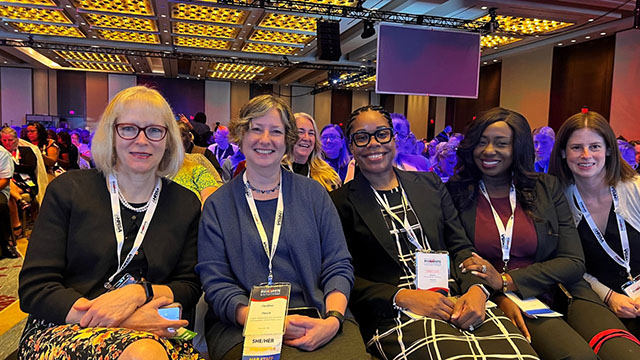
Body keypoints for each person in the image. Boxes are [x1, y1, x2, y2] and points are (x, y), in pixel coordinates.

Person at [330, 105, 538, 360]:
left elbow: (460, 247)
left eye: (382, 134)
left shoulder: (430, 185)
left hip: (456, 297)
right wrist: (401, 297)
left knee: (521, 355)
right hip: (396, 311)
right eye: (361, 137)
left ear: (393, 139)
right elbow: (343, 275)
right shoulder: (338, 203)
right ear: (351, 146)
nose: (373, 144)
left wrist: (477, 291)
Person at [18, 86, 202, 359]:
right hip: (65, 325)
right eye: (128, 129)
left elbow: (188, 286)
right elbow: (36, 288)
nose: (142, 140)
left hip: (152, 325)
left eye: (154, 130)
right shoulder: (69, 190)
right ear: (111, 134)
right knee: (143, 353)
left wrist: (140, 294)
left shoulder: (185, 204)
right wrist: (121, 321)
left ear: (168, 141)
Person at [447, 107, 640, 360]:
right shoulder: (456, 192)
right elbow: (459, 255)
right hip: (488, 296)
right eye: (481, 142)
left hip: (561, 289)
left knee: (624, 354)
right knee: (576, 356)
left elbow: (572, 262)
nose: (489, 150)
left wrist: (505, 281)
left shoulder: (545, 188)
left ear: (519, 148)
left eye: (501, 143)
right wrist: (496, 291)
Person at [197, 95, 368, 360]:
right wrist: (262, 321)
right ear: (240, 135)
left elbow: (338, 264)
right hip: (242, 324)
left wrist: (334, 319)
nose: (265, 139)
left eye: (276, 131)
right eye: (256, 128)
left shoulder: (314, 195)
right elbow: (216, 282)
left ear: (287, 141)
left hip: (319, 315)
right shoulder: (218, 205)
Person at [549, 111, 640, 339]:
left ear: (609, 150)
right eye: (576, 147)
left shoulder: (635, 189)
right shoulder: (557, 200)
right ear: (562, 152)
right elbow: (567, 264)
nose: (586, 155)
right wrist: (609, 297)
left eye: (595, 147)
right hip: (596, 299)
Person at [283, 112, 341, 191]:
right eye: (300, 132)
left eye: (311, 133)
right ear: (289, 136)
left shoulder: (328, 176)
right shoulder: (276, 171)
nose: (306, 138)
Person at [1, 127, 39, 238]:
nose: (7, 143)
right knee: (7, 188)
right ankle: (20, 202)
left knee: (6, 184)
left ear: (16, 140)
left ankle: (15, 227)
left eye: (10, 140)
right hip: (10, 183)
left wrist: (12, 167)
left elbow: (31, 167)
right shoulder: (1, 153)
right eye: (4, 140)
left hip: (26, 182)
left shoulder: (26, 150)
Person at [0, 144, 17, 259]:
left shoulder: (2, 154)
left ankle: (4, 244)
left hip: (0, 189)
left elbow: (5, 180)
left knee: (0, 206)